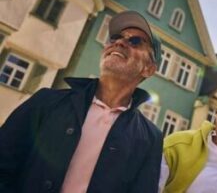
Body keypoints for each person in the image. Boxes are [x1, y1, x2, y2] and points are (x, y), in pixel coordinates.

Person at [0, 10, 163, 193]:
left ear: (149, 69)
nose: (119, 42)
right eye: (115, 37)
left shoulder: (151, 139)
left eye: (135, 41)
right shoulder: (46, 102)